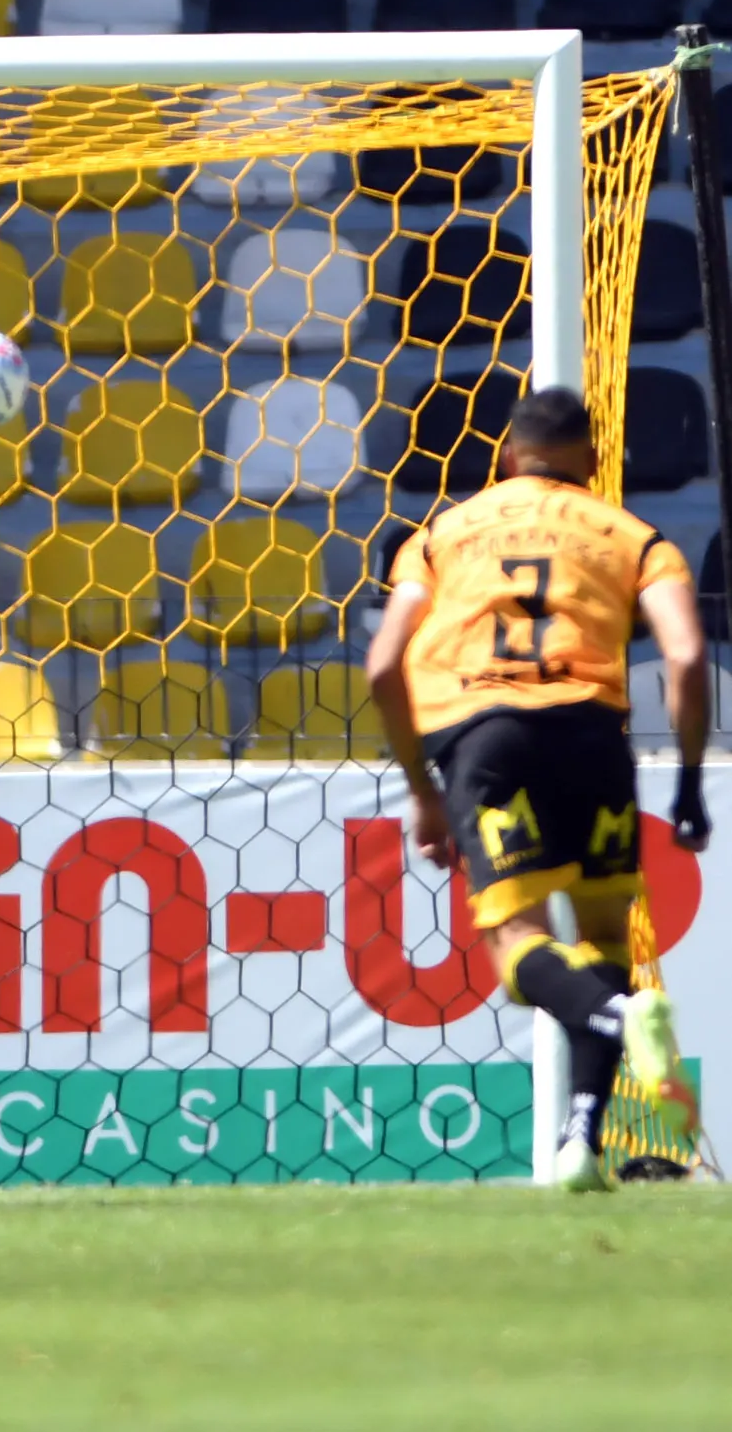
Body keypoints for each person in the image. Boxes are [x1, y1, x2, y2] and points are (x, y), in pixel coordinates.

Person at [365, 384, 710, 1191]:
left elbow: (383, 663)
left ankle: (617, 1023)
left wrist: (420, 790)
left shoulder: (442, 533)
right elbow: (688, 658)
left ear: (507, 456)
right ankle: (580, 1145)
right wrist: (688, 782)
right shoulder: (634, 535)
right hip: (592, 737)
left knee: (514, 942)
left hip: (487, 737)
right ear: (594, 461)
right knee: (600, 939)